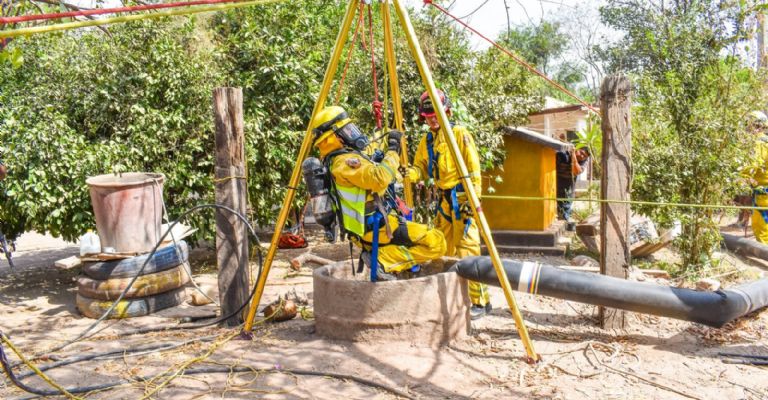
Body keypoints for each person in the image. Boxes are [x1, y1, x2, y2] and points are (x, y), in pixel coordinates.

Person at [310, 106, 446, 280]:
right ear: (335, 136)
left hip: (368, 225)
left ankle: (387, 259)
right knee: (437, 241)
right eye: (348, 130)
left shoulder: (339, 159)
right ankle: (383, 261)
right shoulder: (344, 162)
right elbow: (380, 178)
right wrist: (393, 150)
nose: (353, 133)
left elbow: (373, 180)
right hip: (375, 226)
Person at [406, 89, 490, 320]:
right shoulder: (427, 140)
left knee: (468, 249)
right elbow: (421, 167)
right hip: (444, 200)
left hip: (463, 199)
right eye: (428, 116)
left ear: (447, 112)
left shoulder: (459, 134)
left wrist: (473, 202)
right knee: (441, 246)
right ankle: (452, 297)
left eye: (436, 114)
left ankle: (480, 301)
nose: (432, 119)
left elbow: (473, 171)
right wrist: (408, 173)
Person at [744, 110, 768, 243]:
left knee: (762, 229)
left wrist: (739, 176)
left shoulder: (758, 143)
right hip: (762, 191)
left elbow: (753, 165)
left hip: (763, 192)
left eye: (749, 125)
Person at [555, 146, 590, 229]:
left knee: (565, 207)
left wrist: (574, 156)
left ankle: (565, 227)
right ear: (577, 148)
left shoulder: (584, 161)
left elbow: (576, 171)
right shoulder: (564, 153)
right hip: (556, 181)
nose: (582, 156)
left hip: (568, 185)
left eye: (584, 156)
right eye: (581, 153)